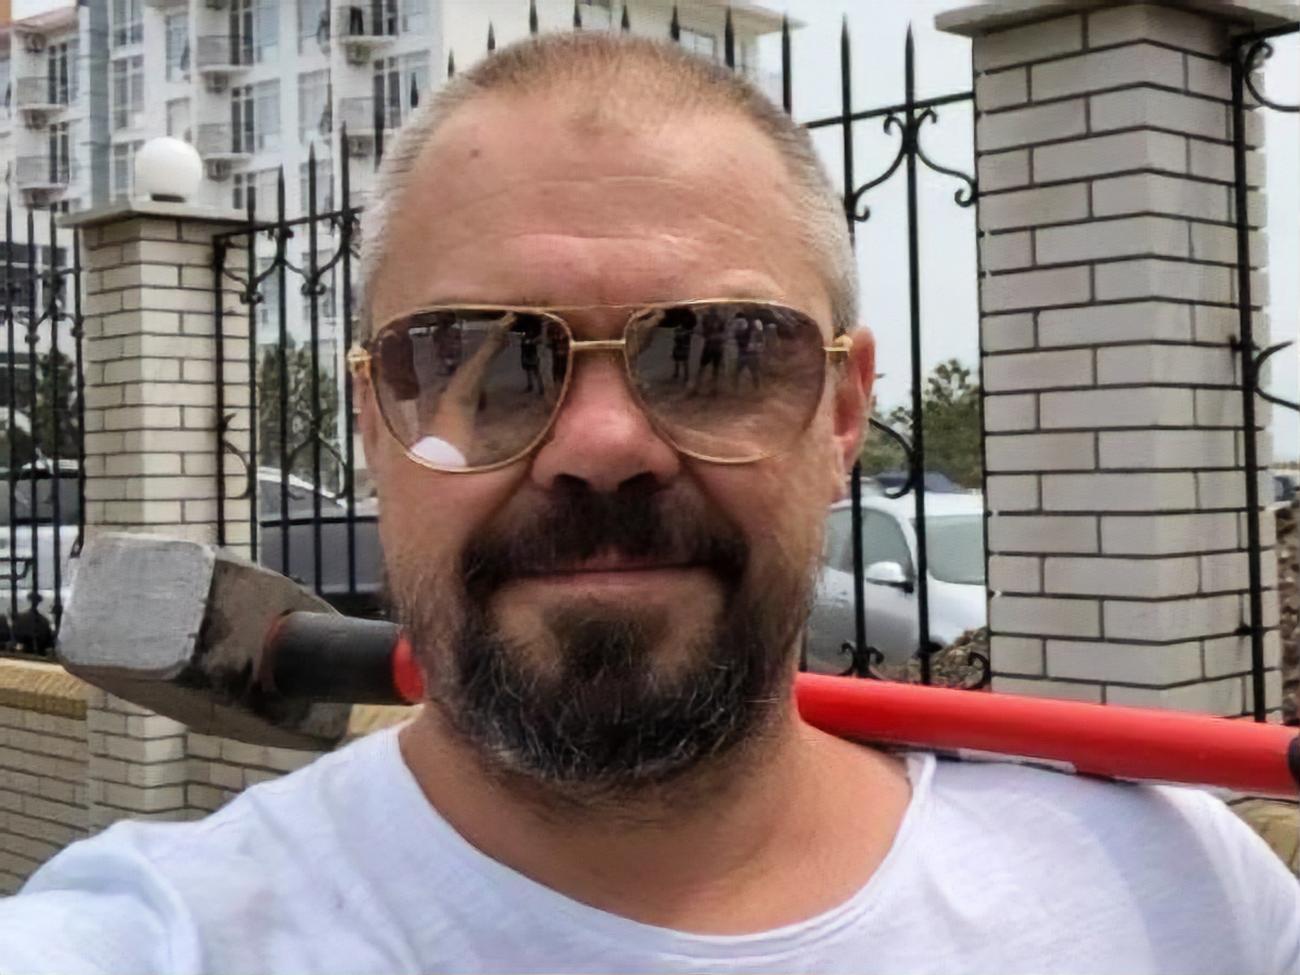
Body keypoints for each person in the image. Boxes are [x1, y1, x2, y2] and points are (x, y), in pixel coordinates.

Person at [1, 31, 1298, 975]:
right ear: (375, 423)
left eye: (715, 351)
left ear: (843, 413)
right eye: (488, 361)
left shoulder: (1179, 900)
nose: (604, 445)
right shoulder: (163, 935)